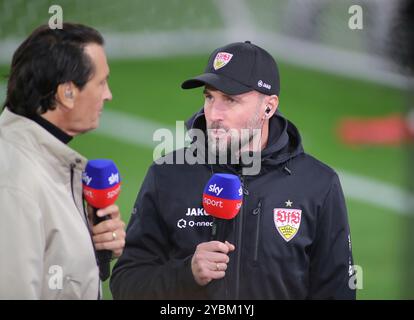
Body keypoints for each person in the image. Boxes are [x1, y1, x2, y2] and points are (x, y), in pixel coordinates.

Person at [110, 41, 356, 299]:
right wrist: (186, 274)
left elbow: (337, 292)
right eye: (209, 97)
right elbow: (126, 284)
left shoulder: (318, 185)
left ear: (268, 107)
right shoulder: (167, 174)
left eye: (230, 99)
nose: (214, 113)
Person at [0, 23, 126, 299]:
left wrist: (92, 247)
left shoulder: (43, 159)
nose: (108, 94)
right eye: (101, 82)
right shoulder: (15, 181)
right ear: (67, 93)